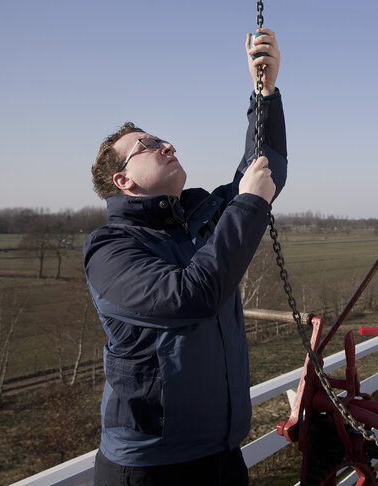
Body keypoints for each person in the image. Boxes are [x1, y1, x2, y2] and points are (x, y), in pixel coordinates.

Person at [83, 28, 283, 486]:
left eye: (163, 139)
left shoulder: (201, 219)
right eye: (147, 146)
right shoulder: (110, 250)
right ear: (122, 181)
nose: (166, 145)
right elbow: (192, 296)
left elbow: (264, 168)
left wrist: (265, 93)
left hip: (222, 453)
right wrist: (249, 205)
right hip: (151, 468)